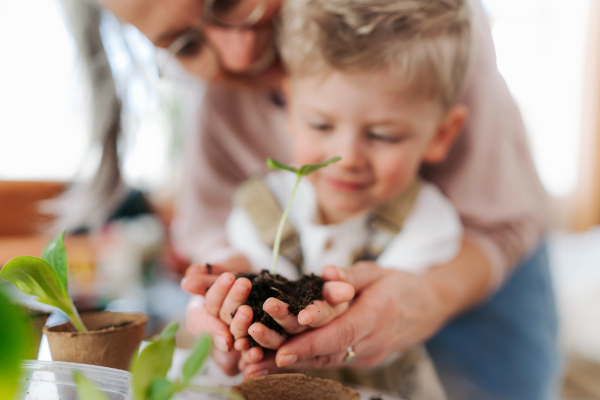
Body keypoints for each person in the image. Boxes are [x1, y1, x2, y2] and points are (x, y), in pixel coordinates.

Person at [89, 0, 560, 398]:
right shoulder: (240, 157)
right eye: (187, 45)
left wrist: (425, 295)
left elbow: (499, 223)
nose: (240, 53)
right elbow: (217, 226)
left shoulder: (427, 20)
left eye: (229, 0)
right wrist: (227, 288)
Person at [216, 1, 472, 396]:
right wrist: (218, 308)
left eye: (384, 135)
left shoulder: (428, 222)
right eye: (321, 125)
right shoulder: (260, 207)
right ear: (290, 107)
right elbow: (239, 283)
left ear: (440, 134)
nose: (348, 158)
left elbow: (387, 328)